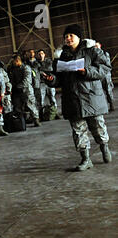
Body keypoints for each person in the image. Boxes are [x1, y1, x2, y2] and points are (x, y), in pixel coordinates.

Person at [43, 24, 112, 171]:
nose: (68, 38)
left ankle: (104, 147)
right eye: (66, 36)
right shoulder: (62, 56)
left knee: (98, 127)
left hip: (91, 97)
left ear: (78, 37)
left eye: (71, 36)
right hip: (72, 99)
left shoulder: (92, 51)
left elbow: (105, 68)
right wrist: (51, 79)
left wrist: (86, 71)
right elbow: (59, 78)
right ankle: (86, 159)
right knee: (78, 130)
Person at [8, 54, 41, 127]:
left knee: (30, 104)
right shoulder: (14, 69)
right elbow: (11, 80)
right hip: (17, 91)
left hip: (27, 90)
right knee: (18, 106)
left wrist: (17, 86)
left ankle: (36, 119)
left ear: (17, 61)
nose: (12, 63)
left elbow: (27, 81)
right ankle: (21, 122)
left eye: (13, 61)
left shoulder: (26, 68)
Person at [36, 49, 60, 120]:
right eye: (39, 54)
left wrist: (41, 71)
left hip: (50, 82)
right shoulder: (36, 63)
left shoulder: (49, 61)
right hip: (41, 83)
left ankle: (55, 113)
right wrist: (41, 72)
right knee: (41, 100)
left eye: (42, 53)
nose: (40, 55)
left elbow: (50, 68)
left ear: (44, 54)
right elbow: (35, 71)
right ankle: (41, 115)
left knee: (52, 98)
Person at [95, 41, 115, 112]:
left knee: (108, 90)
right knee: (98, 92)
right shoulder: (93, 55)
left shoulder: (105, 54)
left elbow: (107, 65)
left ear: (100, 46)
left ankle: (111, 104)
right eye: (95, 46)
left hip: (105, 75)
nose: (96, 47)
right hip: (98, 75)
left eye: (97, 46)